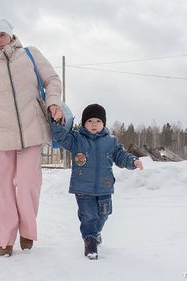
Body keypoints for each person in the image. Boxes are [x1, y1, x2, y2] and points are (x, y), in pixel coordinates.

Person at [0, 18, 63, 257]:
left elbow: (52, 80)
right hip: (0, 135)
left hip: (32, 130)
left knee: (28, 184)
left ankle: (28, 229)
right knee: (3, 189)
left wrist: (53, 103)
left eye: (1, 34)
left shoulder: (30, 55)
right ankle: (5, 238)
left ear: (10, 34)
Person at [50, 103, 143, 260]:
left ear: (104, 124)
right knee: (88, 216)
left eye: (98, 121)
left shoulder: (111, 141)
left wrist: (133, 161)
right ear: (84, 123)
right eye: (90, 121)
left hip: (104, 186)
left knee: (104, 214)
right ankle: (90, 240)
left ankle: (95, 232)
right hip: (82, 187)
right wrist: (57, 123)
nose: (94, 124)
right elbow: (61, 137)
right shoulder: (76, 139)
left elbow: (121, 156)